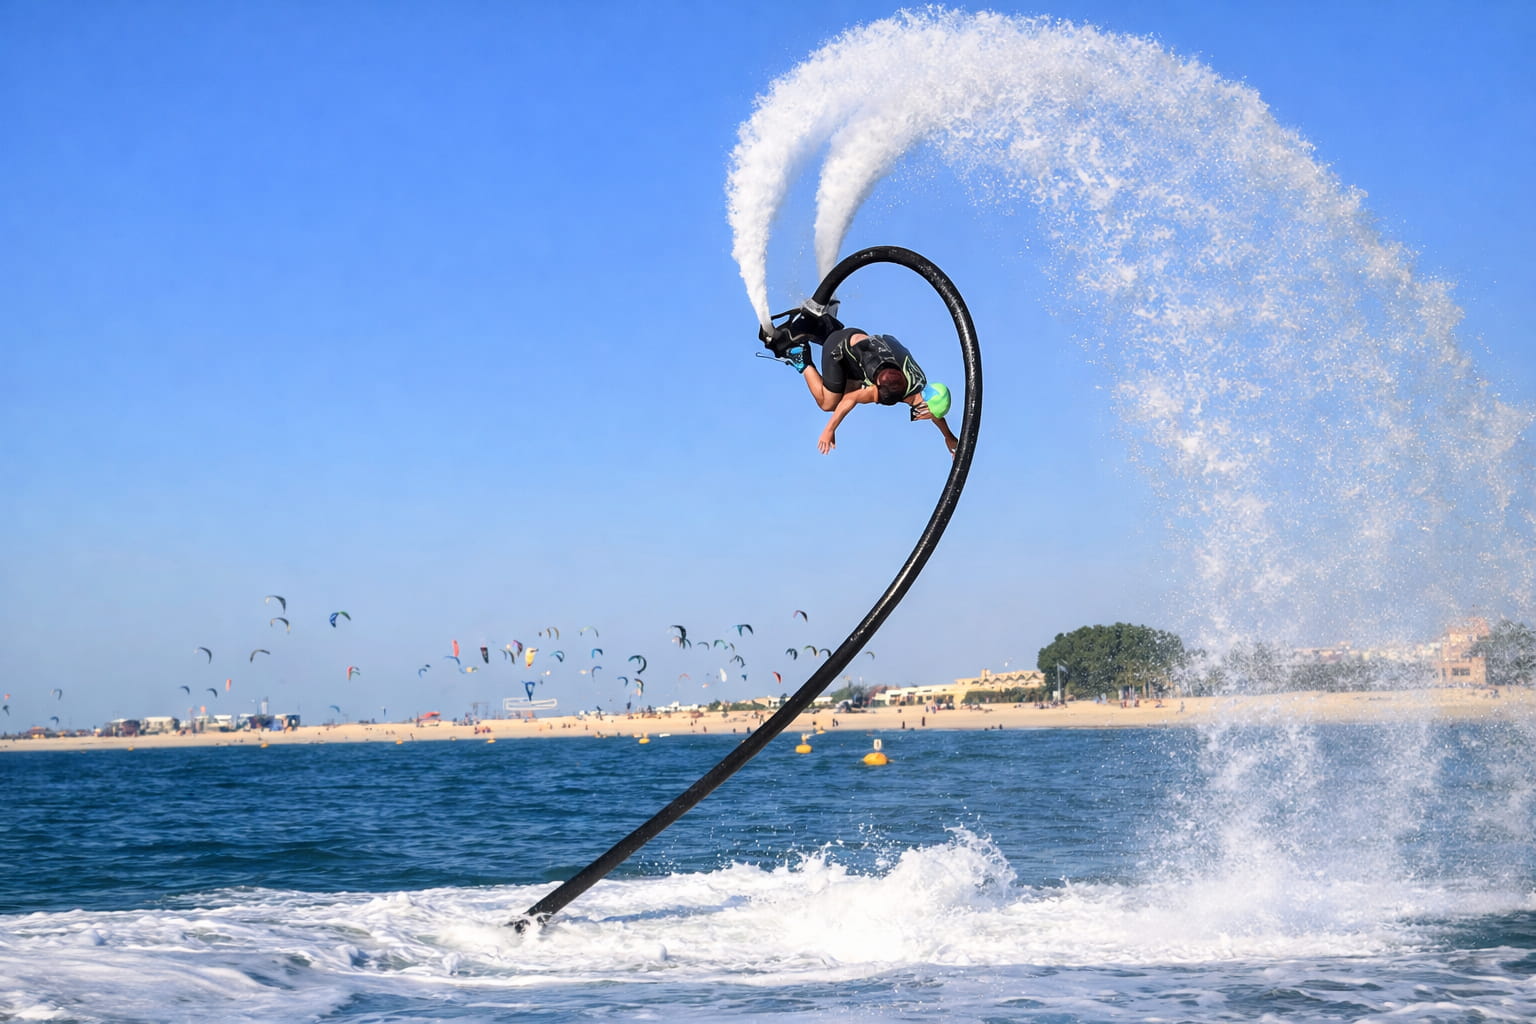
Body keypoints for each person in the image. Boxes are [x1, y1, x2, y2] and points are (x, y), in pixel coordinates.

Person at [765, 309, 958, 456]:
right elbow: (852, 398)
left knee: (855, 385)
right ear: (925, 407)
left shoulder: (919, 381)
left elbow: (936, 412)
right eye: (930, 414)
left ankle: (825, 328)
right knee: (829, 403)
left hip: (856, 338)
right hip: (839, 350)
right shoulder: (892, 390)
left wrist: (948, 437)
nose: (928, 418)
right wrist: (829, 430)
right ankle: (801, 358)